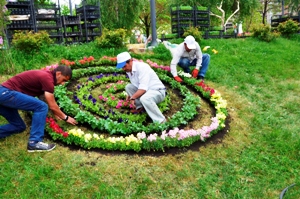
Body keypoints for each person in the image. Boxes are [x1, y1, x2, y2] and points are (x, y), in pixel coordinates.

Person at [0, 65, 77, 152]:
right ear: (58, 73)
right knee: (41, 107)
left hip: (4, 97)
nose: (63, 83)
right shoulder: (47, 78)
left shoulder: (47, 76)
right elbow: (51, 105)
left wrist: (56, 112)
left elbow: (44, 98)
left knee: (19, 126)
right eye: (64, 80)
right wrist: (65, 117)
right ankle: (35, 142)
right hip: (5, 93)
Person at [116, 52, 166, 124]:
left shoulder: (142, 67)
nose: (123, 69)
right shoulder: (129, 70)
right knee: (128, 87)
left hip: (157, 92)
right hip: (147, 92)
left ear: (130, 61)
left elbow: (143, 88)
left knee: (145, 98)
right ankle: (140, 107)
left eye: (124, 66)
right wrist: (130, 95)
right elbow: (137, 85)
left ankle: (161, 121)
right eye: (122, 67)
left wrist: (133, 97)